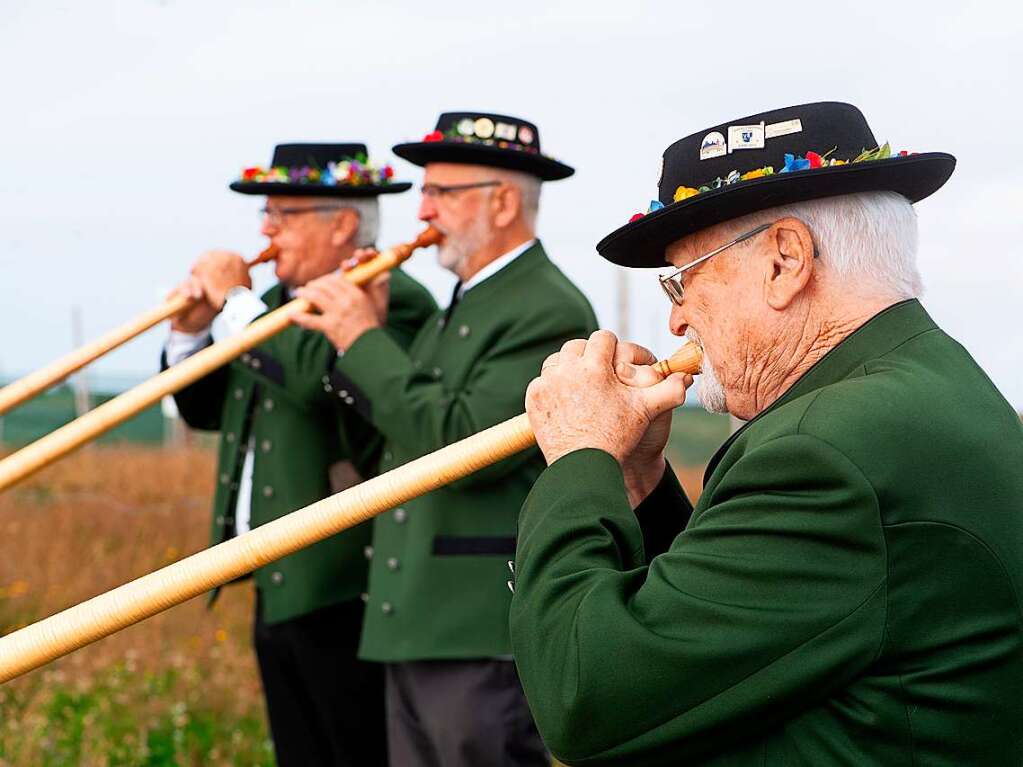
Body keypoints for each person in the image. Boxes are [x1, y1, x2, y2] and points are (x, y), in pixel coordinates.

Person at [511, 102, 1023, 765]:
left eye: (683, 281)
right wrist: (637, 484)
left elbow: (583, 698)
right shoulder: (924, 383)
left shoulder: (824, 450)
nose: (677, 322)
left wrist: (579, 456)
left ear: (785, 259)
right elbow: (746, 618)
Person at [292, 113, 598, 767]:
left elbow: (463, 449)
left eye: (441, 193)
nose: (421, 209)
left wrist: (362, 340)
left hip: (477, 626)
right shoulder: (460, 302)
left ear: (504, 201)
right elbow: (397, 442)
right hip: (412, 621)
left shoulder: (547, 306)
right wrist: (369, 333)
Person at [163, 142, 436, 767]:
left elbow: (319, 382)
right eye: (266, 213)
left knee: (353, 749)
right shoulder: (275, 310)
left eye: (282, 213)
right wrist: (192, 329)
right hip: (275, 577)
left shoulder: (395, 295)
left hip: (343, 583)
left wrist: (237, 305)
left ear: (340, 223)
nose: (265, 229)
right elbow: (205, 410)